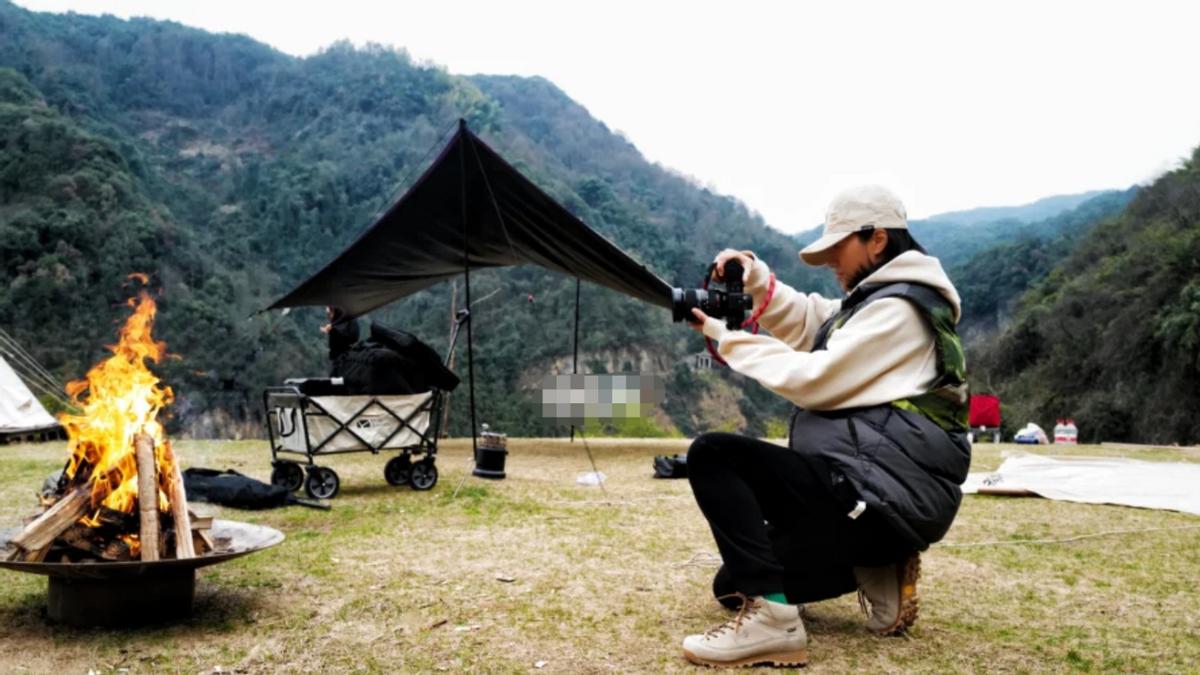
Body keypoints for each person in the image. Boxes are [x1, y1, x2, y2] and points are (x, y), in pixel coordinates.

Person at [678, 185, 970, 668]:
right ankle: (877, 563)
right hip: (872, 503)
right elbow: (814, 319)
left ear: (876, 239)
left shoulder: (899, 312)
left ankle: (775, 624)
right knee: (732, 585)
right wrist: (754, 280)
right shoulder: (880, 302)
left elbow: (815, 378)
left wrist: (725, 337)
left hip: (873, 499)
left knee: (714, 454)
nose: (833, 261)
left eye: (839, 248)